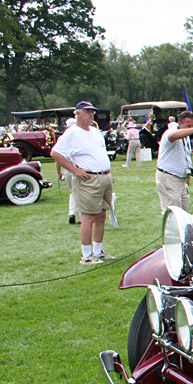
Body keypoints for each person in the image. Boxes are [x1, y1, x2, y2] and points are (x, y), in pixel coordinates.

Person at [50, 101, 115, 264]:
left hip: (104, 176)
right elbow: (56, 153)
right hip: (88, 179)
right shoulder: (72, 133)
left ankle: (98, 251)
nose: (91, 114)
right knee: (88, 217)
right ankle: (86, 255)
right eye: (87, 111)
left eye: (92, 112)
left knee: (101, 215)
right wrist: (75, 170)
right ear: (77, 113)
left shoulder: (94, 131)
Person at [155, 110, 193, 212]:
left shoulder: (185, 136)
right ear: (180, 124)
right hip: (169, 177)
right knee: (174, 212)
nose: (191, 129)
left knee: (184, 210)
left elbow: (185, 155)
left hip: (180, 179)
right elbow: (173, 136)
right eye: (188, 126)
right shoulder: (170, 133)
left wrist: (187, 174)